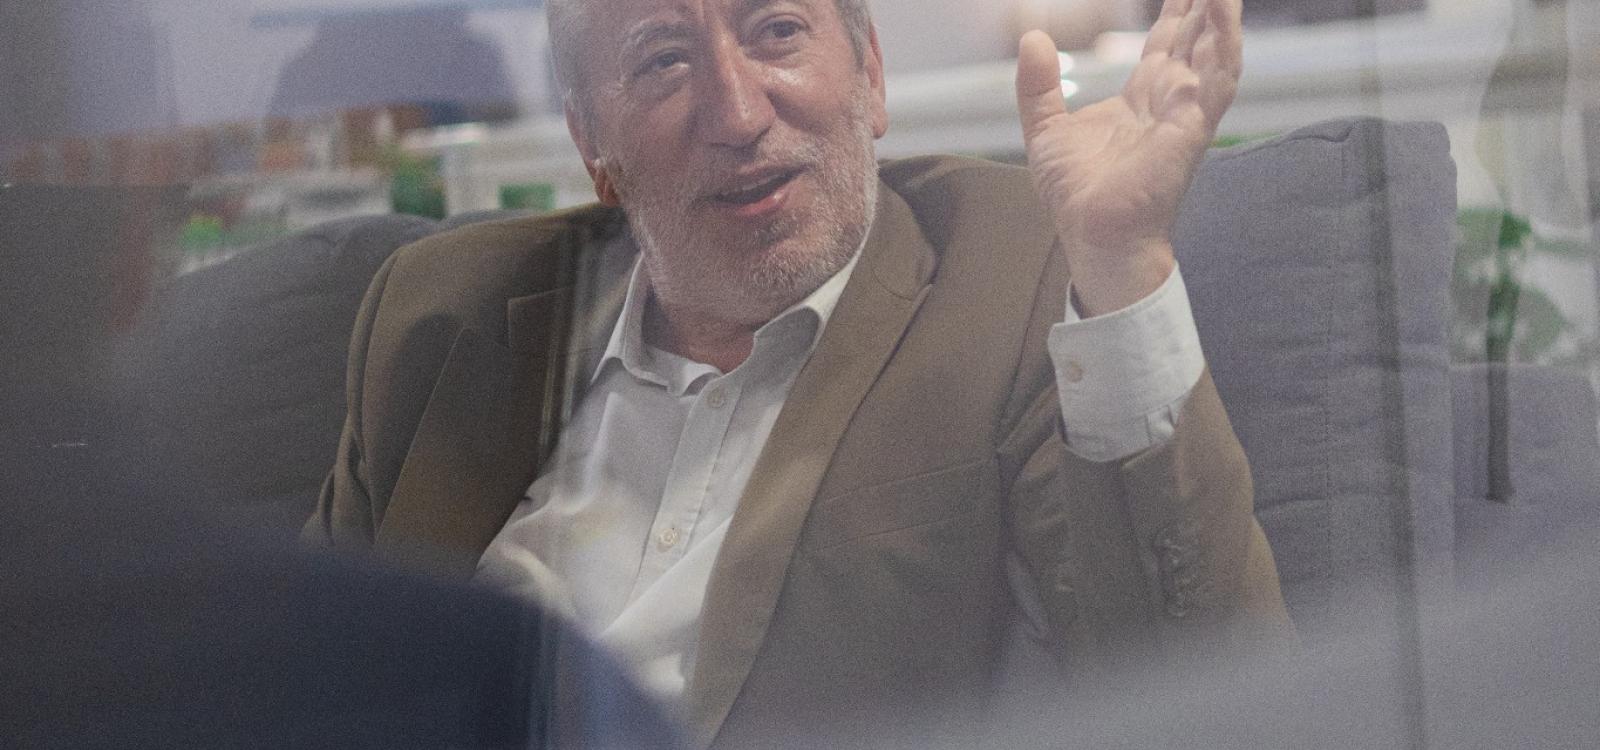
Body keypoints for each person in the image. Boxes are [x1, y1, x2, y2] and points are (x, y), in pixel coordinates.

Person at [306, 0, 1293, 745]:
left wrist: (1121, 265)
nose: (737, 113)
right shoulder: (443, 314)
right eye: (663, 60)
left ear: (871, 76)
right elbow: (305, 672)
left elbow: (1210, 689)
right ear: (591, 146)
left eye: (776, 31)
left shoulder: (1016, 266)